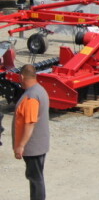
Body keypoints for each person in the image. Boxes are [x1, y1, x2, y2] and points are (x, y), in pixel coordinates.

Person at [13, 64, 50, 200]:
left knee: (35, 178)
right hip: (40, 144)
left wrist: (21, 145)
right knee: (36, 177)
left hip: (33, 147)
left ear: (22, 77)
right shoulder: (41, 90)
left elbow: (29, 123)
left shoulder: (31, 97)